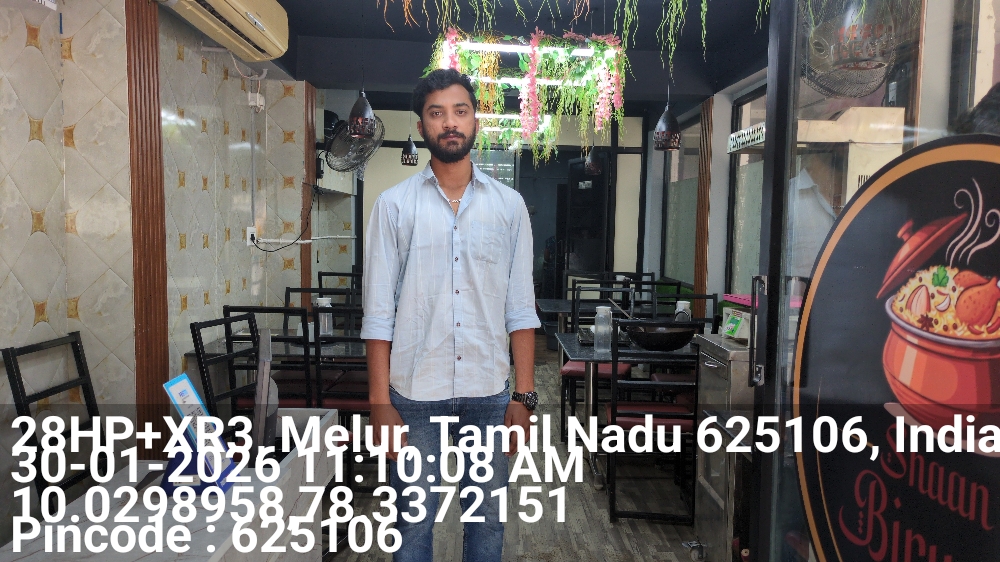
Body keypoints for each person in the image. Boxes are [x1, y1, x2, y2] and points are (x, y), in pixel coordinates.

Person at [360, 69, 541, 562]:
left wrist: (523, 397)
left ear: (475, 120)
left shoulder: (509, 207)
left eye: (460, 111)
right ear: (422, 126)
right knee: (412, 523)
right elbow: (378, 313)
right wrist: (379, 403)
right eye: (436, 113)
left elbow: (520, 307)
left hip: (489, 393)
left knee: (487, 523)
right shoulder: (393, 207)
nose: (450, 123)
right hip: (414, 393)